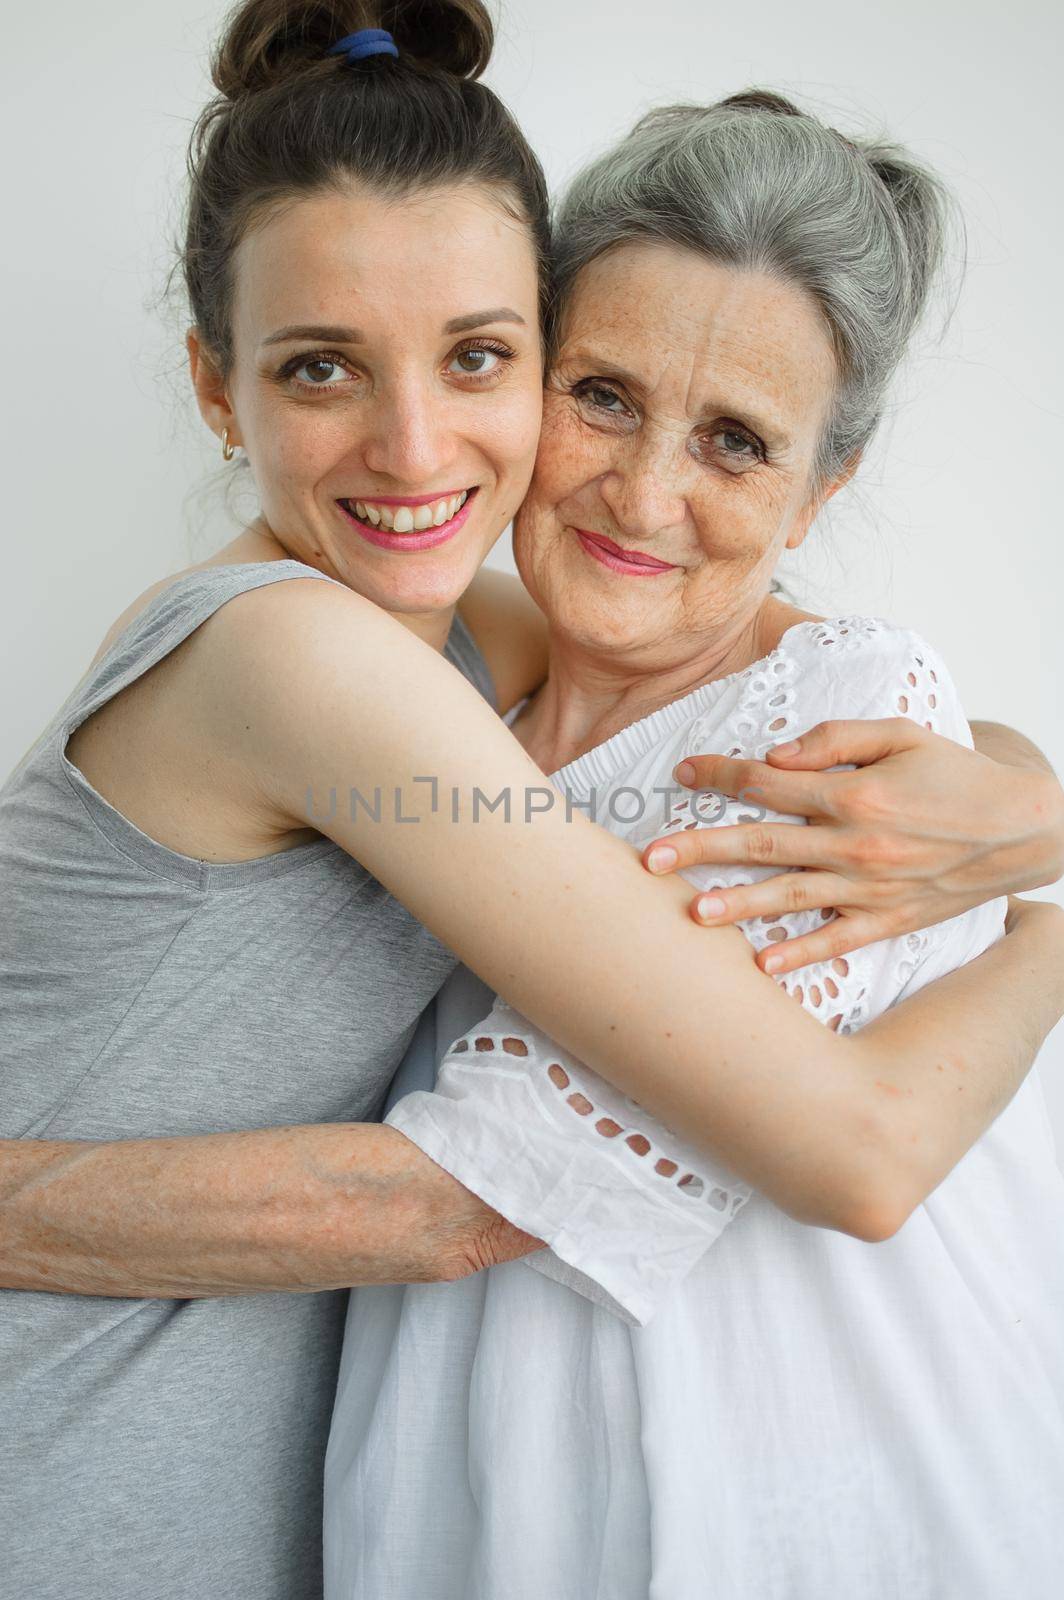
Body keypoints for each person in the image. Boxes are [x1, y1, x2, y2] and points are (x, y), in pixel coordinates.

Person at [0, 6, 1060, 1598]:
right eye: (609, 396)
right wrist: (1048, 928)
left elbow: (833, 700)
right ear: (218, 390)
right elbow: (843, 1151)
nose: (420, 446)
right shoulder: (329, 657)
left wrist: (1031, 801)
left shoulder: (470, 646)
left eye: (477, 359)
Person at [323, 94, 1064, 1598]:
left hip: (802, 1507)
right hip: (485, 1493)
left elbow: (495, 1191)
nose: (645, 495)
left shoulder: (840, 724)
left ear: (823, 489)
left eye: (737, 442)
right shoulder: (436, 694)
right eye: (603, 395)